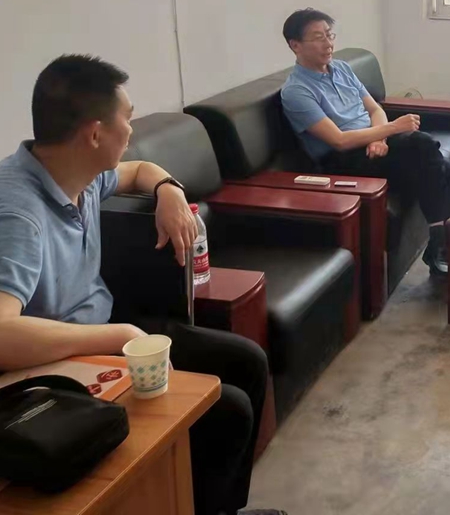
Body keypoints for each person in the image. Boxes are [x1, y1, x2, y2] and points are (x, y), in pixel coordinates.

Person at [0, 55, 281, 515]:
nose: (131, 131)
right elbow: (2, 333)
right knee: (227, 410)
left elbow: (138, 169)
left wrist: (169, 189)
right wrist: (118, 336)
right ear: (95, 134)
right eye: (127, 119)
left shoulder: (78, 172)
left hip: (105, 327)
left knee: (247, 361)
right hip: (55, 366)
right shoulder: (17, 213)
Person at [279, 8, 450, 276]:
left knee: (436, 163)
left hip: (371, 144)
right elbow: (339, 140)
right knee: (425, 147)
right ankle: (448, 250)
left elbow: (375, 109)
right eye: (318, 38)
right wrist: (390, 129)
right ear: (295, 45)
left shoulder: (342, 69)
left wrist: (380, 136)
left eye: (329, 35)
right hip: (341, 162)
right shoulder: (296, 91)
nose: (328, 44)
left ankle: (444, 251)